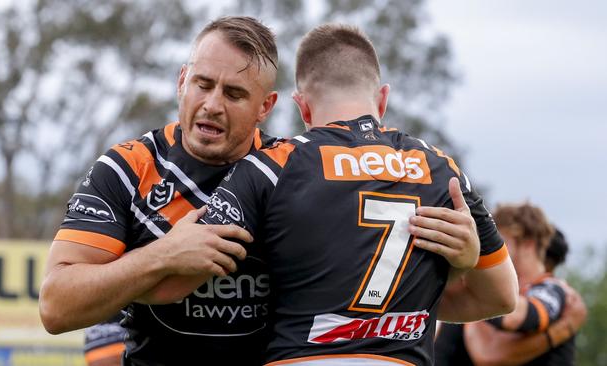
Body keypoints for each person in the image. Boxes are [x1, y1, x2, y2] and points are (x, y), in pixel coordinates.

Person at [177, 24, 518, 365]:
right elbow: (503, 296)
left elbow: (173, 284)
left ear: (302, 107)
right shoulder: (441, 170)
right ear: (382, 99)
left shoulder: (273, 165)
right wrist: (457, 268)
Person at [39, 16, 280, 365]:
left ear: (265, 106)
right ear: (182, 81)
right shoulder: (126, 168)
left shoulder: (287, 172)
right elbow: (55, 307)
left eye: (234, 93)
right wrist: (164, 254)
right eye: (203, 84)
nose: (213, 104)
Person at [435, 206, 586, 365]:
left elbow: (512, 319)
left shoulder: (553, 290)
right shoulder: (475, 301)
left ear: (528, 244)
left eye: (498, 241)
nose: (489, 250)